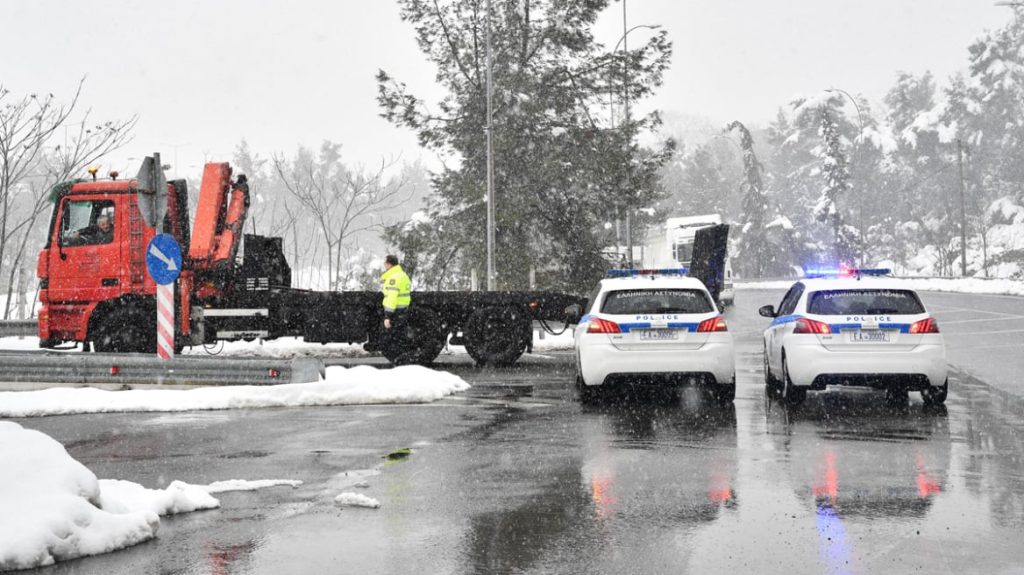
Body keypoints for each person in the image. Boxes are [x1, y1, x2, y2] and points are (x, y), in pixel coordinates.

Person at [380, 254, 411, 332]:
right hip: (402, 311)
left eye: (385, 262)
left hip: (395, 313)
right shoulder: (403, 275)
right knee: (399, 337)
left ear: (390, 264)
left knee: (390, 339)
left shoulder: (394, 277)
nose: (384, 264)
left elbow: (392, 296)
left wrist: (387, 316)